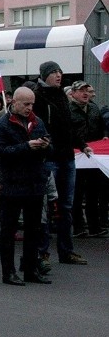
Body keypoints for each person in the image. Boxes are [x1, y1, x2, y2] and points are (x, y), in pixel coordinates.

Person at [0, 87, 52, 285]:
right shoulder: (2, 124)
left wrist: (45, 146)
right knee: (8, 231)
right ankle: (7, 272)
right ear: (14, 102)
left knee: (34, 229)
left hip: (35, 182)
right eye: (26, 104)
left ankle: (30, 268)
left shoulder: (37, 121)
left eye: (32, 104)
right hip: (13, 184)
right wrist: (26, 147)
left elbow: (50, 146)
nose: (29, 108)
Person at [33, 61, 91, 265]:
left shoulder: (62, 96)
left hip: (67, 158)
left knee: (66, 206)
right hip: (49, 160)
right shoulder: (38, 97)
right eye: (54, 72)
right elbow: (38, 127)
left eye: (60, 72)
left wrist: (81, 144)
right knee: (47, 207)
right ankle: (42, 252)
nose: (58, 75)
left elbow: (68, 127)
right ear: (44, 75)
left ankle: (66, 251)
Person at [68, 80, 108, 238]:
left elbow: (101, 126)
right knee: (77, 193)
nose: (85, 93)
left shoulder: (94, 108)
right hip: (77, 156)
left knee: (94, 192)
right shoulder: (68, 110)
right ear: (73, 93)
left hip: (92, 156)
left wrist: (104, 137)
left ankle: (95, 226)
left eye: (87, 90)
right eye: (81, 90)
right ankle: (78, 226)